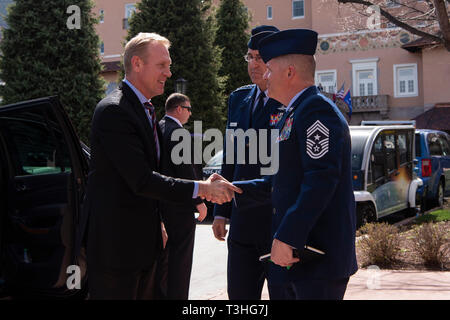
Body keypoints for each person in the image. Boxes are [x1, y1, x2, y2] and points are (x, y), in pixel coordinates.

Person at [82, 32, 241, 300]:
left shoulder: (145, 110)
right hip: (116, 249)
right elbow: (142, 180)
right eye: (162, 65)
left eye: (168, 66)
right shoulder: (114, 111)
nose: (168, 73)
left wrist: (158, 222)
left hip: (144, 246)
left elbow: (153, 177)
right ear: (137, 64)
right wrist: (202, 188)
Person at [232, 29, 358, 300]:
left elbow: (320, 179)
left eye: (270, 70)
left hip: (318, 262)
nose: (265, 76)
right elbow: (284, 181)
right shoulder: (295, 112)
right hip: (302, 261)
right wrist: (233, 189)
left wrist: (287, 236)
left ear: (289, 72)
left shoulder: (316, 111)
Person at [212, 25, 284, 300]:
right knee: (239, 297)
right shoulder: (239, 99)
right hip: (242, 222)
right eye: (250, 56)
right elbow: (230, 154)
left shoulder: (290, 101)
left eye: (260, 57)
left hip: (276, 221)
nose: (253, 63)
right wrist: (222, 211)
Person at [157, 93, 207, 299]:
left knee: (164, 261)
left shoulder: (157, 129)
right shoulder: (179, 133)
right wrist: (200, 201)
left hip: (159, 206)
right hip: (180, 208)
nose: (190, 113)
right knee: (181, 262)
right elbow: (186, 170)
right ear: (178, 109)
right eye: (188, 109)